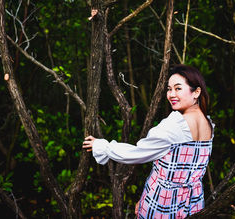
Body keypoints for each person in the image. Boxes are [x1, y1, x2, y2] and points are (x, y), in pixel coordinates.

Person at [82, 64, 214, 218]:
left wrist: (102, 146)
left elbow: (136, 153)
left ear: (196, 92)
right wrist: (145, 197)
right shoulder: (208, 124)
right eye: (169, 89)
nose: (171, 94)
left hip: (164, 204)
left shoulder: (174, 125)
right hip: (193, 203)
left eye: (178, 88)